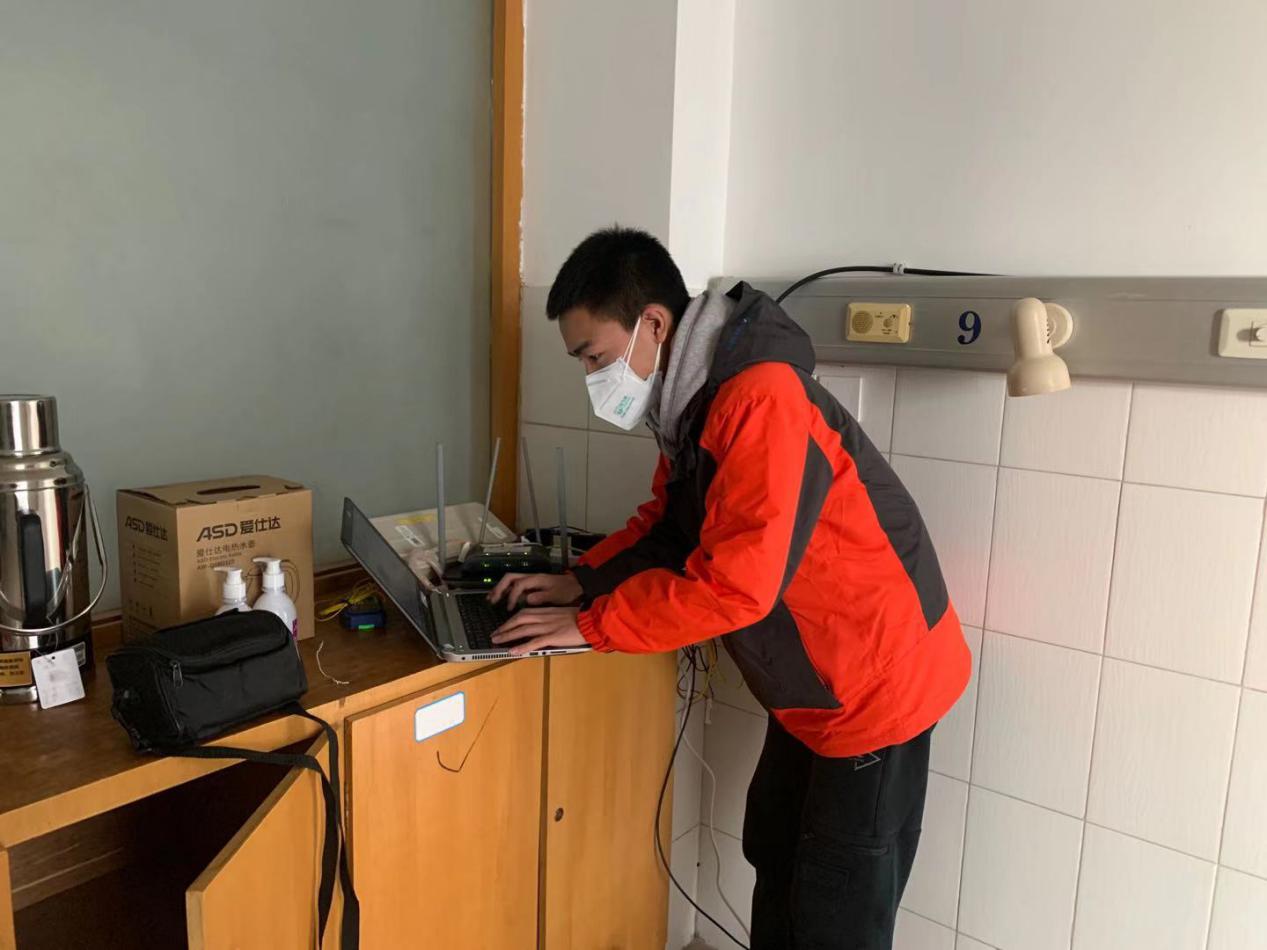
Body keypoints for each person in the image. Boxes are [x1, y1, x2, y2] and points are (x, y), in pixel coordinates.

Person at [490, 226, 970, 950]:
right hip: (814, 683)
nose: (591, 376)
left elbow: (736, 587)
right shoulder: (696, 403)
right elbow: (668, 528)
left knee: (835, 911)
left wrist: (592, 627)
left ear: (654, 324)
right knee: (775, 853)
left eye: (594, 356)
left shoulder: (759, 398)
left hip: (872, 684)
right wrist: (580, 584)